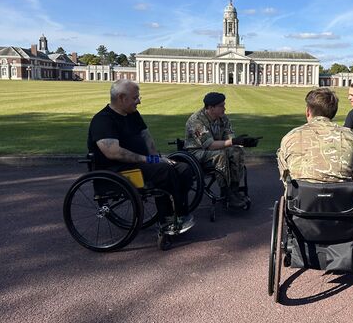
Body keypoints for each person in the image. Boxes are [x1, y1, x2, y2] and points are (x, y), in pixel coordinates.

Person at [87, 79, 194, 247]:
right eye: (135, 97)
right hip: (117, 171)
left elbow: (146, 136)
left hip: (141, 165)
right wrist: (151, 160)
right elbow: (113, 152)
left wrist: (156, 157)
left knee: (183, 168)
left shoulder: (132, 115)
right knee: (163, 170)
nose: (139, 101)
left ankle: (180, 213)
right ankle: (166, 219)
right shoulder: (103, 120)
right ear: (122, 98)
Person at [184, 92, 256, 209]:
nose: (224, 108)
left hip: (216, 149)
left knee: (237, 151)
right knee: (220, 155)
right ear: (211, 108)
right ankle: (226, 192)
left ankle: (234, 189)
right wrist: (233, 142)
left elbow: (230, 137)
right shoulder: (196, 121)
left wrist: (241, 142)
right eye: (221, 106)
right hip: (196, 152)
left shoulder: (223, 118)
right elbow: (210, 145)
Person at [277, 88, 353, 184]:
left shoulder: (291, 137)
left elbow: (285, 176)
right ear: (333, 112)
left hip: (302, 197)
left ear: (308, 111)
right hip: (341, 196)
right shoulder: (351, 138)